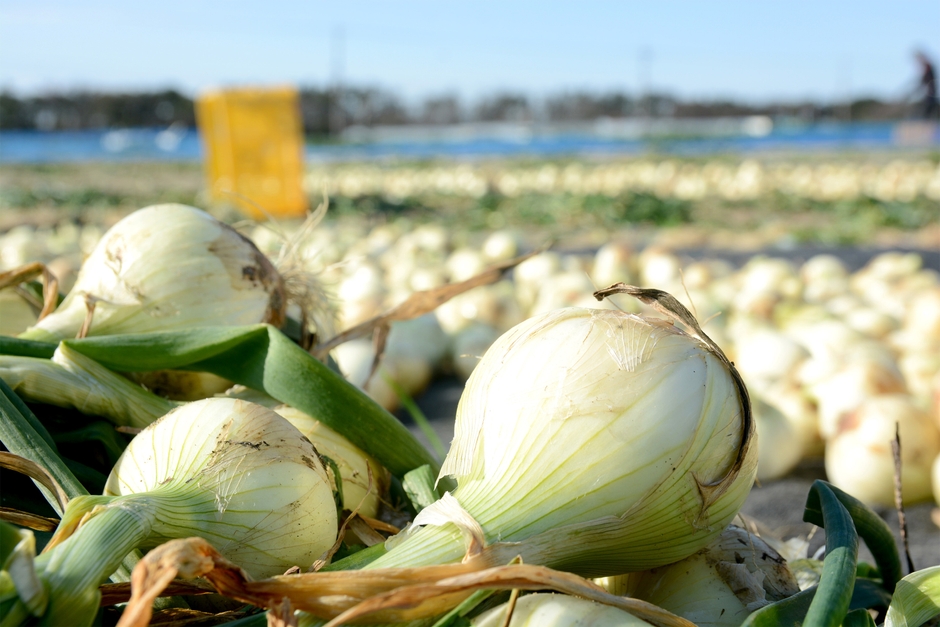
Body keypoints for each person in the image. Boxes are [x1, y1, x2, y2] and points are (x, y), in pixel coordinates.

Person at [912, 51, 938, 120]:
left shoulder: (928, 66)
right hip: (929, 93)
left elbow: (926, 79)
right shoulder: (927, 66)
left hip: (930, 93)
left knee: (928, 108)